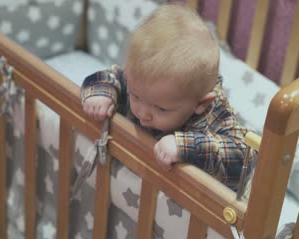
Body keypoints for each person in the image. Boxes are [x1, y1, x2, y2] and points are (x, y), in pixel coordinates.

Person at [80, 4, 255, 190]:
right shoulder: (142, 84)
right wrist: (100, 93)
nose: (142, 113)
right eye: (135, 96)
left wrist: (185, 147)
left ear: (201, 103)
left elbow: (243, 159)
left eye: (160, 108)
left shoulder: (215, 116)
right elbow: (110, 76)